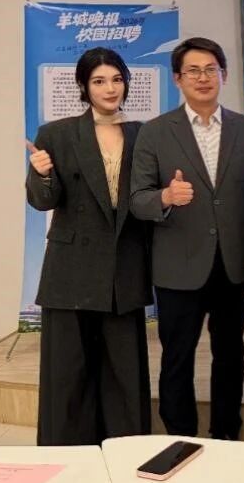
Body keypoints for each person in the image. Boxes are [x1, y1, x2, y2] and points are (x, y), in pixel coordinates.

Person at [130, 37, 244, 440]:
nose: (203, 78)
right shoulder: (155, 132)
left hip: (234, 263)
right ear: (178, 79)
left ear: (224, 74)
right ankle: (180, 436)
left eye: (210, 70)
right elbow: (137, 199)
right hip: (178, 265)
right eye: (193, 71)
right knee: (177, 358)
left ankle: (227, 433)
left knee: (231, 355)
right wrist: (166, 197)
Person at [26, 47, 151, 445]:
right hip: (71, 270)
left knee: (124, 375)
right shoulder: (56, 133)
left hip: (123, 268)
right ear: (84, 86)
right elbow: (43, 201)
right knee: (68, 375)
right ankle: (68, 456)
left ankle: (125, 452)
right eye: (99, 81)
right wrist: (41, 175)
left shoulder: (143, 134)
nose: (110, 88)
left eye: (116, 79)